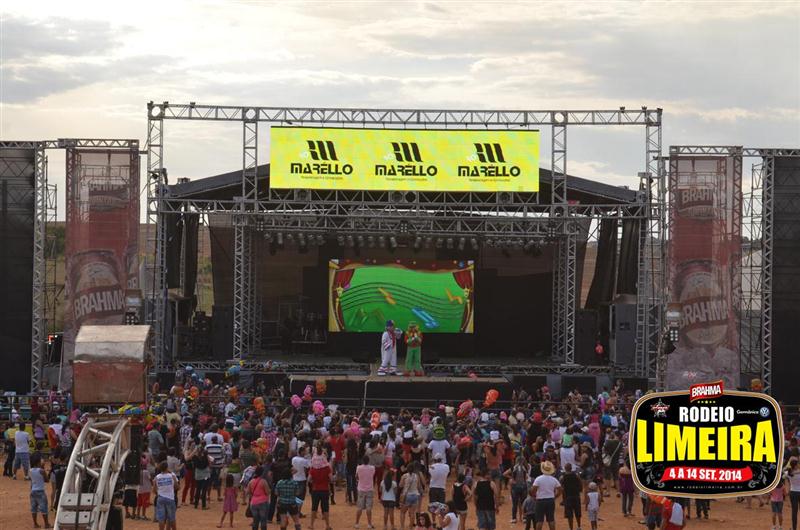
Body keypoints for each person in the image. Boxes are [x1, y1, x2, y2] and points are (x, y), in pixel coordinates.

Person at [531, 460, 562, 530]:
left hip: (540, 500)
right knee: (551, 519)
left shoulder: (538, 479)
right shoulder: (554, 479)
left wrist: (534, 496)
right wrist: (555, 496)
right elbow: (560, 489)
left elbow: (533, 489)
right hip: (550, 500)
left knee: (539, 520)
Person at [308, 450, 332, 530]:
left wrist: (313, 481)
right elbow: (331, 479)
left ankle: (311, 525)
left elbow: (309, 479)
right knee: (325, 508)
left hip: (315, 489)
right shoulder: (327, 468)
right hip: (325, 489)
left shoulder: (313, 468)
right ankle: (327, 525)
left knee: (314, 508)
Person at [154, 461, 179, 530]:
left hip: (160, 498)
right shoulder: (172, 476)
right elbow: (177, 487)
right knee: (172, 518)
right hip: (170, 498)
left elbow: (154, 490)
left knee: (161, 518)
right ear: (167, 468)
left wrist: (159, 493)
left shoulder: (157, 477)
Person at [505, 456, 529, 524]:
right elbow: (527, 477)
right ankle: (524, 518)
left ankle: (514, 518)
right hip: (523, 486)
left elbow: (504, 474)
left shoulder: (513, 468)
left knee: (514, 503)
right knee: (523, 503)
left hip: (515, 486)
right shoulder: (525, 468)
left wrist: (512, 478)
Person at [29, 453, 50, 529]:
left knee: (34, 508)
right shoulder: (41, 470)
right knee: (44, 508)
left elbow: (32, 481)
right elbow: (47, 480)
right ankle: (46, 524)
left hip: (33, 491)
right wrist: (43, 468)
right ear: (38, 462)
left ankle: (35, 524)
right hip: (40, 491)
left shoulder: (30, 470)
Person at [559, 463, 583, 530]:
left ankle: (571, 528)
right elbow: (580, 483)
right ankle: (579, 526)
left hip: (568, 496)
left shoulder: (563, 477)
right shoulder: (576, 475)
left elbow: (561, 486)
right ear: (571, 468)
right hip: (576, 495)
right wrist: (580, 489)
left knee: (569, 514)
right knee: (577, 512)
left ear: (565, 468)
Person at [355, 455, 376, 529]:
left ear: (362, 461)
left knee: (359, 507)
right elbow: (372, 475)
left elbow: (356, 476)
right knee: (369, 508)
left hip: (361, 489)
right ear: (368, 460)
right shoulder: (372, 468)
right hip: (369, 489)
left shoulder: (358, 467)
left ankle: (357, 523)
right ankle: (369, 524)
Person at [291, 445, 310, 517]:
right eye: (304, 451)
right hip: (302, 479)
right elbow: (308, 466)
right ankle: (298, 512)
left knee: (295, 496)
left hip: (294, 479)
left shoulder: (294, 459)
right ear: (301, 452)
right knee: (301, 497)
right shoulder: (304, 460)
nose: (305, 452)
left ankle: (294, 511)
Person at [789, 457, 800, 530]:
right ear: (795, 465)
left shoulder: (789, 473)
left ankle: (794, 528)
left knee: (794, 512)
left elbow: (783, 473)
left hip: (793, 492)